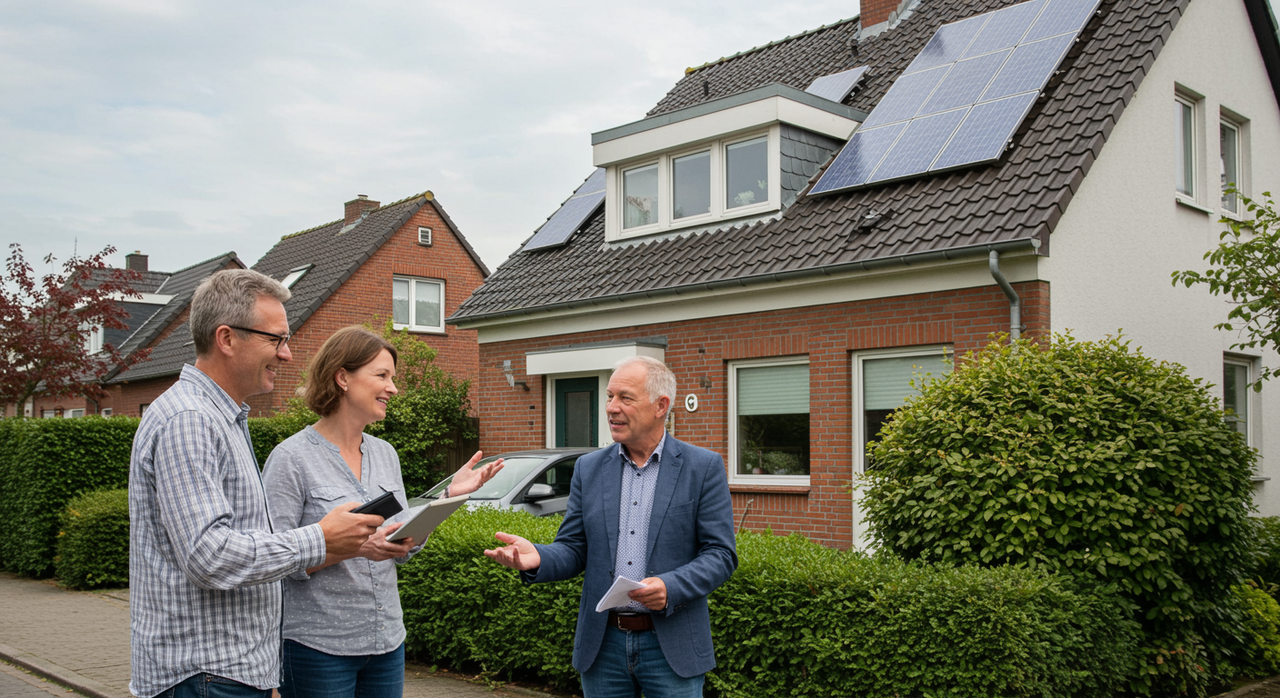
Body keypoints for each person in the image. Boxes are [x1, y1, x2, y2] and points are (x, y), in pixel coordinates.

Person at [129, 269, 385, 698]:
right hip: (204, 675)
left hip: (228, 672)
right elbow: (209, 555)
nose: (286, 354)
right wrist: (320, 538)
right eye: (276, 339)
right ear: (226, 339)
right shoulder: (190, 420)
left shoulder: (223, 417)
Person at [260, 325, 503, 698]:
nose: (393, 388)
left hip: (387, 641)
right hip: (318, 647)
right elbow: (274, 559)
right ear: (342, 377)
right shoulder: (291, 459)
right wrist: (355, 545)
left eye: (393, 377)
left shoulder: (385, 453)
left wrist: (448, 498)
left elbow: (404, 542)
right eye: (382, 376)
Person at [485, 355, 737, 698]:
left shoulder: (702, 467)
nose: (611, 408)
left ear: (661, 405)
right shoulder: (589, 469)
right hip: (603, 646)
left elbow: (721, 554)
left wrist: (669, 586)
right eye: (609, 396)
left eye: (625, 398)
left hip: (672, 646)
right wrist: (539, 558)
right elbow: (575, 549)